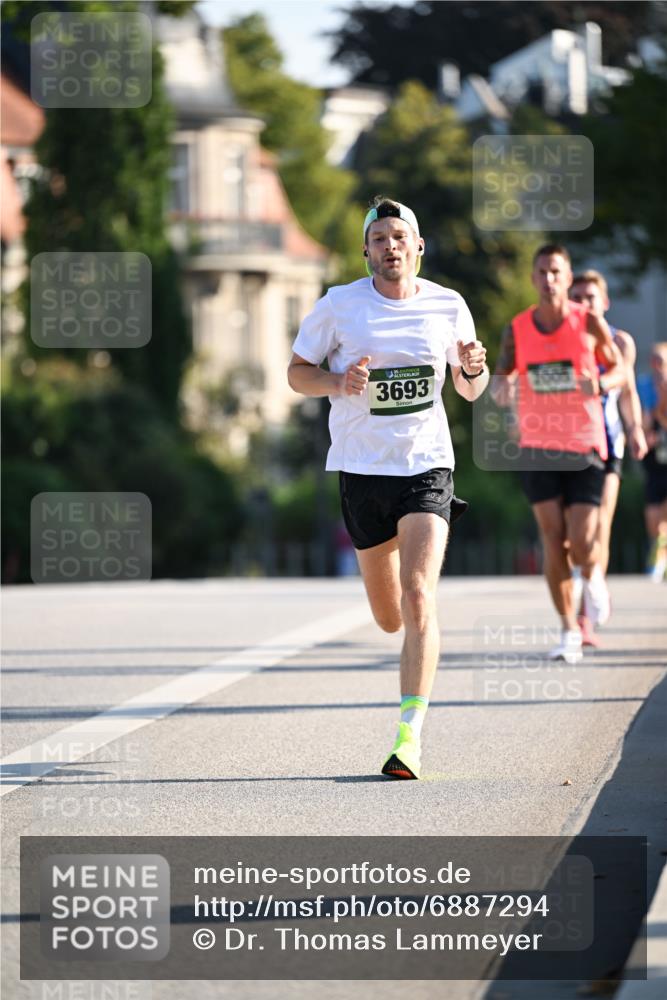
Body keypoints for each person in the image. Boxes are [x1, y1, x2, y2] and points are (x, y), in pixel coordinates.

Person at [287, 196, 487, 780]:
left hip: (426, 466)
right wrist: (336, 380)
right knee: (389, 616)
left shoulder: (449, 306)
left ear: (418, 247)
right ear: (366, 251)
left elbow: (470, 387)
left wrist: (474, 367)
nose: (390, 246)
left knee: (419, 592)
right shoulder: (339, 306)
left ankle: (409, 736)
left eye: (400, 237)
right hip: (362, 471)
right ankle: (396, 630)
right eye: (379, 239)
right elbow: (296, 374)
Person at [491, 245, 623, 664]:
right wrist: (501, 390)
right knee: (553, 540)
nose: (548, 279)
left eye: (556, 272)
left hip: (584, 442)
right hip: (537, 445)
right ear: (533, 278)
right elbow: (500, 377)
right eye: (542, 272)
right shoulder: (517, 328)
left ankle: (593, 574)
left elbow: (618, 367)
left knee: (583, 542)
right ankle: (568, 629)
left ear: (567, 279)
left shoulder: (588, 322)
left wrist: (600, 385)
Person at [569, 270, 647, 637]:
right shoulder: (561, 338)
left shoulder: (620, 341)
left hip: (607, 446)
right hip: (566, 445)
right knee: (570, 537)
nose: (584, 304)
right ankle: (573, 612)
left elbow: (627, 388)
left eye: (591, 297)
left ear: (605, 302)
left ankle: (586, 612)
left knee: (599, 527)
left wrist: (634, 432)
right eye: (578, 297)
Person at [641, 343, 667, 582]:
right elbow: (645, 427)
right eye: (655, 360)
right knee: (653, 519)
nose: (658, 365)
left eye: (662, 360)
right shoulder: (645, 387)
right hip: (654, 463)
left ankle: (660, 559)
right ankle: (658, 550)